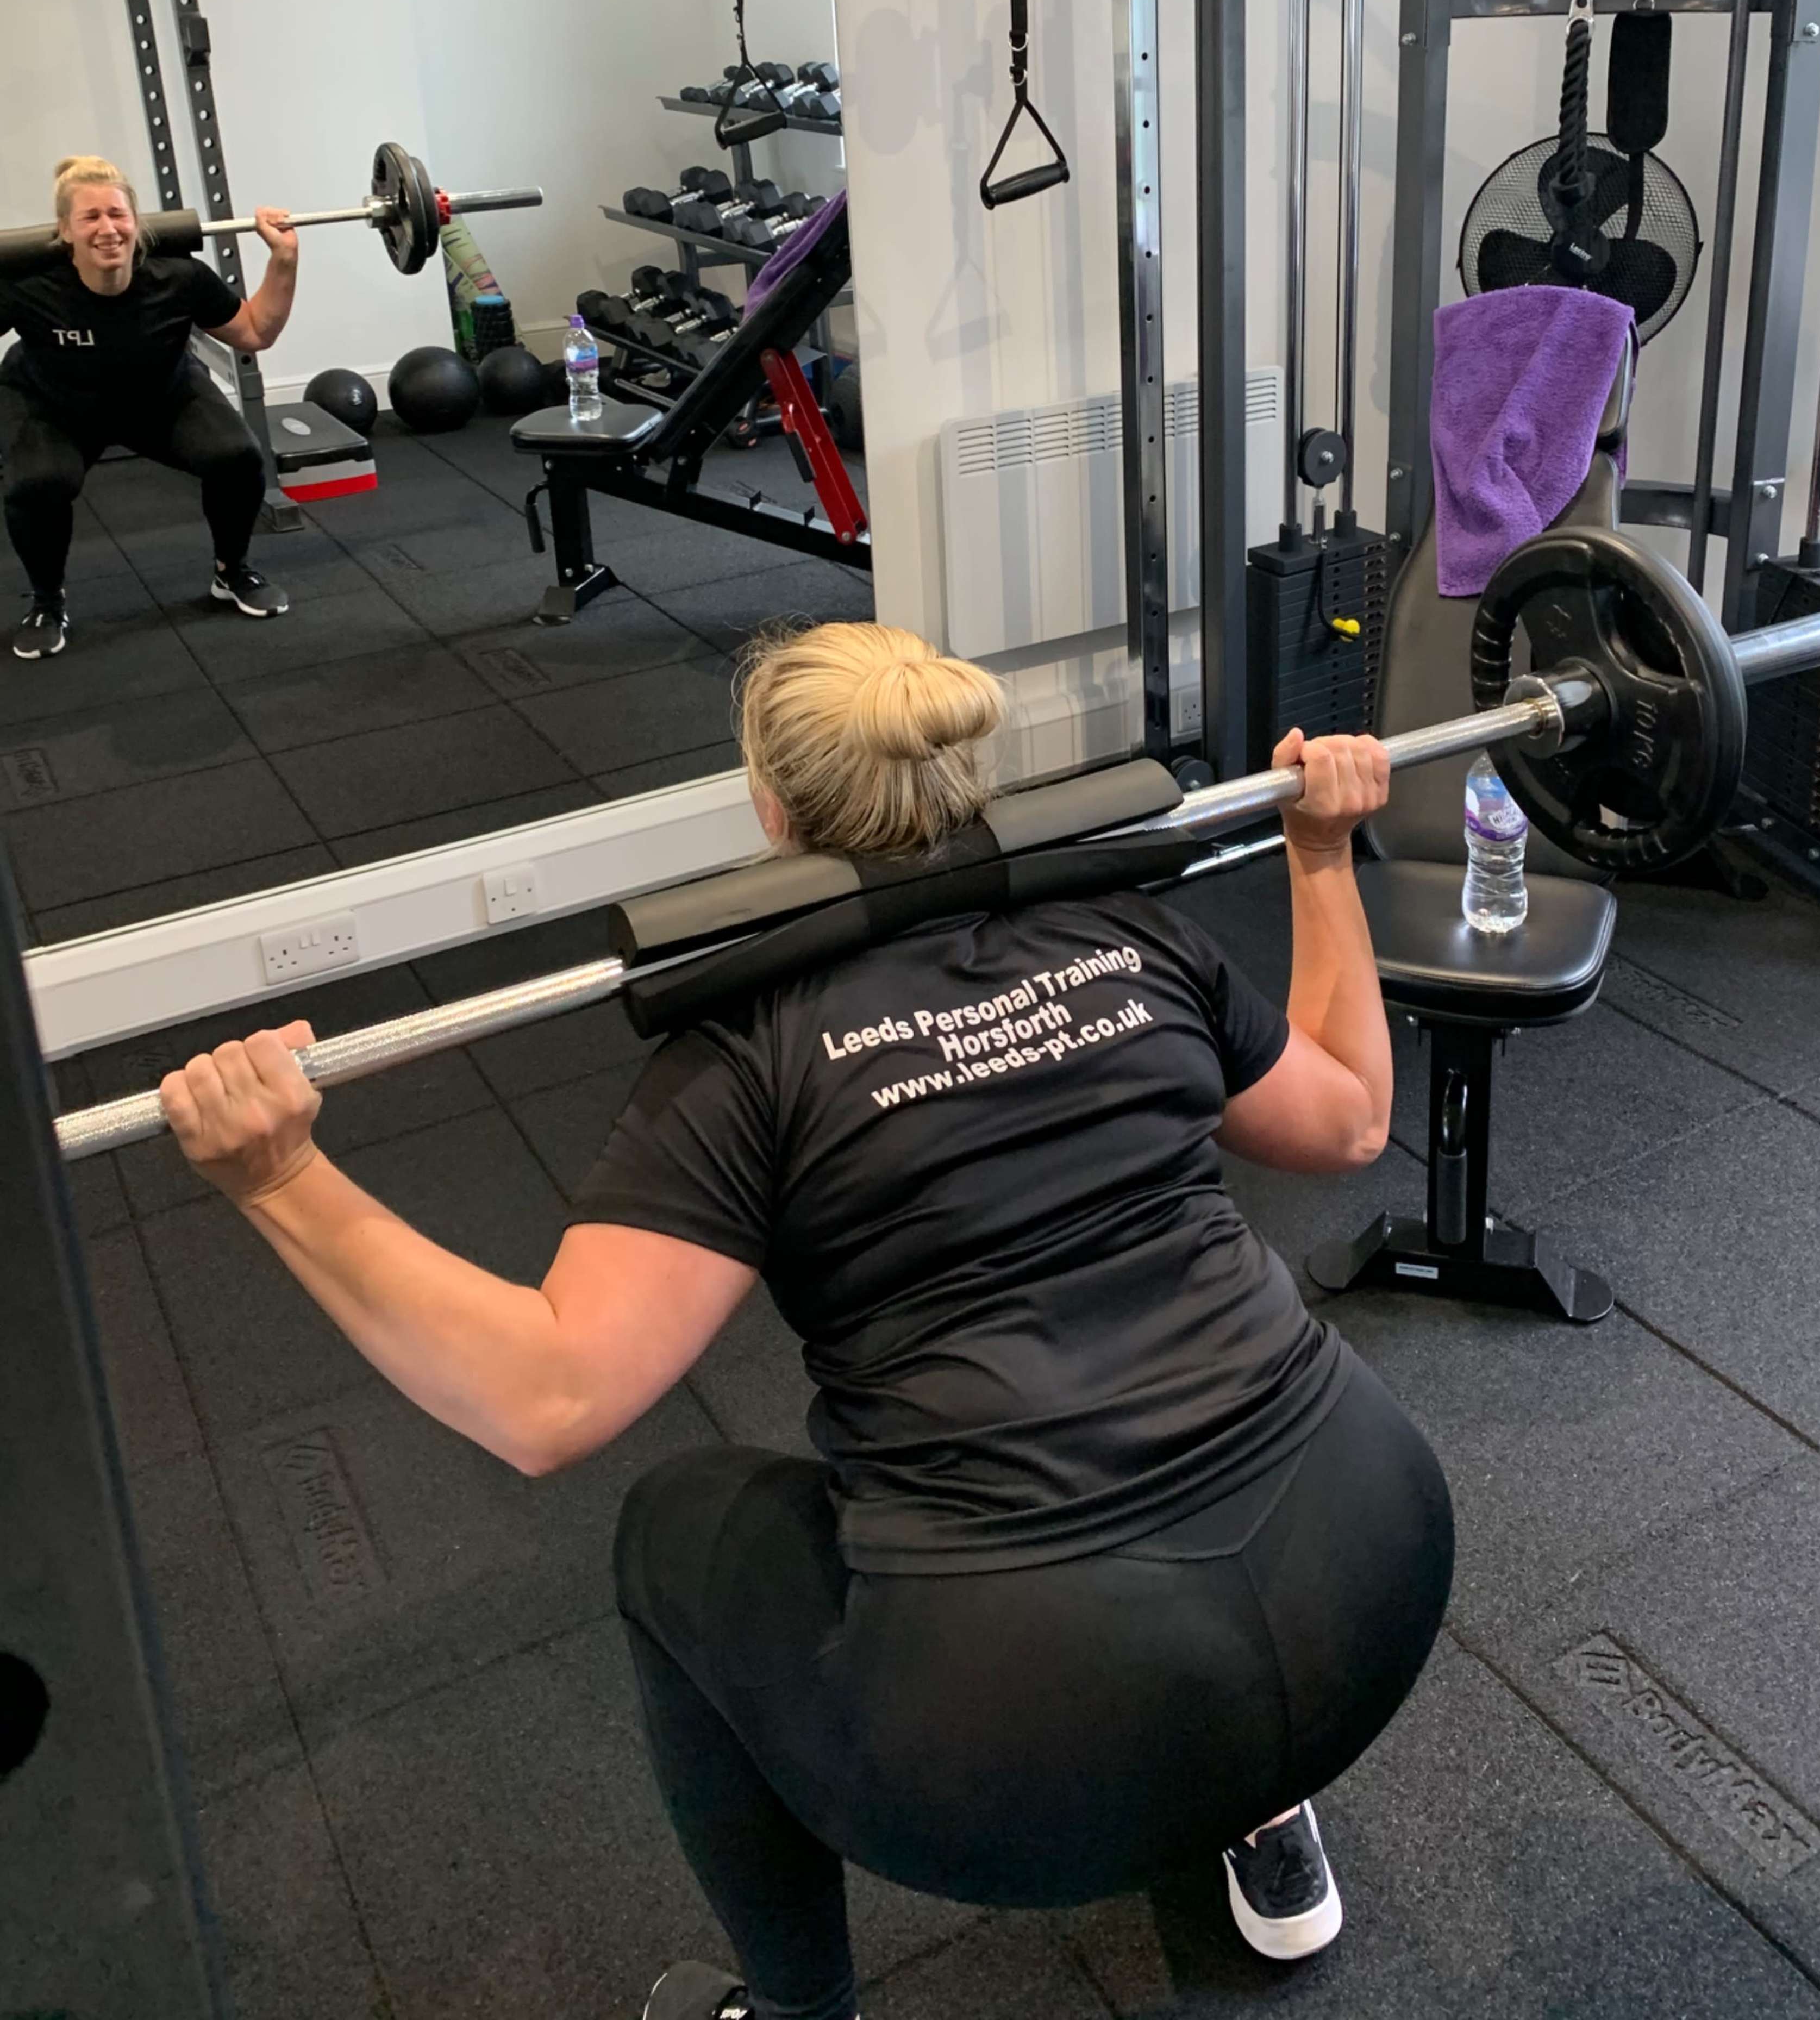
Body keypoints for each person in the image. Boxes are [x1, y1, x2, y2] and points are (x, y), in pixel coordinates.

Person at [159, 621, 1454, 2020]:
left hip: (1045, 1733)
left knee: (672, 1529)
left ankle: (798, 2009)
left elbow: (545, 1398)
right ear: (968, 773)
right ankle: (1262, 1805)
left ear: (770, 806)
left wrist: (277, 1174)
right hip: (1374, 1567)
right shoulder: (1131, 928)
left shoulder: (746, 1054)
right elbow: (1350, 1118)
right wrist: (1322, 862)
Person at [0, 154, 297, 658]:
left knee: (237, 457)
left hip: (160, 396)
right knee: (39, 484)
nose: (108, 230)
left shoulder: (178, 277)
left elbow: (253, 331)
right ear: (64, 231)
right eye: (90, 217)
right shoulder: (28, 286)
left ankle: (232, 572)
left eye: (118, 215)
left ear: (137, 222)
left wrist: (284, 259)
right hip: (54, 404)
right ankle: (48, 602)